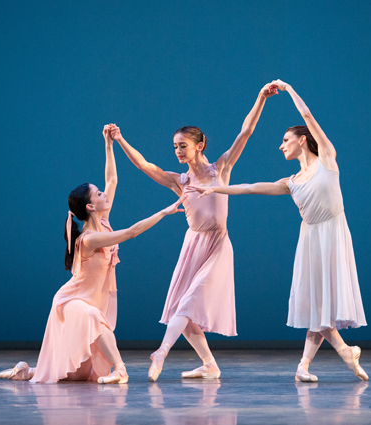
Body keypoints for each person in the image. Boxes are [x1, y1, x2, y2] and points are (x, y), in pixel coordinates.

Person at [186, 80, 369, 382]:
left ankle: (323, 360)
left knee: (321, 305)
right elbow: (251, 187)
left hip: (333, 235)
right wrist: (216, 188)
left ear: (302, 141)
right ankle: (322, 360)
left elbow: (308, 117)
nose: (281, 145)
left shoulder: (327, 159)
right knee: (316, 305)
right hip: (310, 239)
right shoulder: (291, 181)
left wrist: (289, 89)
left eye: (286, 140)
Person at [111, 83, 279, 381]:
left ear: (199, 145)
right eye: (175, 146)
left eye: (182, 146)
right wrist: (120, 139)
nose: (177, 151)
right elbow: (143, 165)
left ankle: (161, 352)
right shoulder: (180, 181)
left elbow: (246, 132)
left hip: (217, 244)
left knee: (188, 304)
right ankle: (210, 365)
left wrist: (260, 98)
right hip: (193, 246)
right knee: (184, 311)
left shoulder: (221, 169)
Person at [0, 124, 186, 384]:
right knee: (94, 319)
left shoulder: (103, 220)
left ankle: (26, 371)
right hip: (72, 302)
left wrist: (109, 144)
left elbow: (112, 179)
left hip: (91, 299)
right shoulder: (89, 239)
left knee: (78, 374)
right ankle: (121, 370)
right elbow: (130, 233)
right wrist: (164, 212)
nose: (104, 194)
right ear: (90, 206)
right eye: (98, 194)